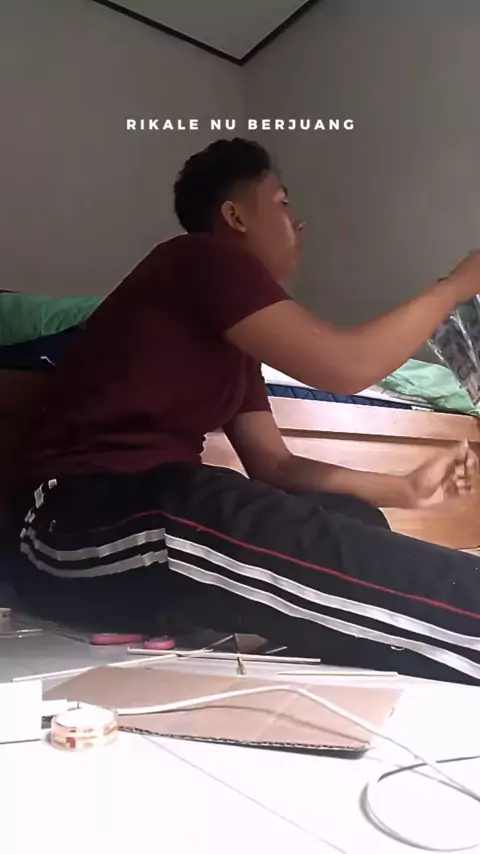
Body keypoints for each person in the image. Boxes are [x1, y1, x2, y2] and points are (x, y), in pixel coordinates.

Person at [12, 138, 480, 684]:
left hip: (145, 525)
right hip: (63, 525)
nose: (298, 222)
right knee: (200, 504)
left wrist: (405, 489)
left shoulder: (238, 346)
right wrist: (454, 287)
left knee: (348, 518)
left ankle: (206, 617)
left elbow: (276, 466)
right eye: (281, 202)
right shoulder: (198, 258)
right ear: (235, 216)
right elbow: (344, 366)